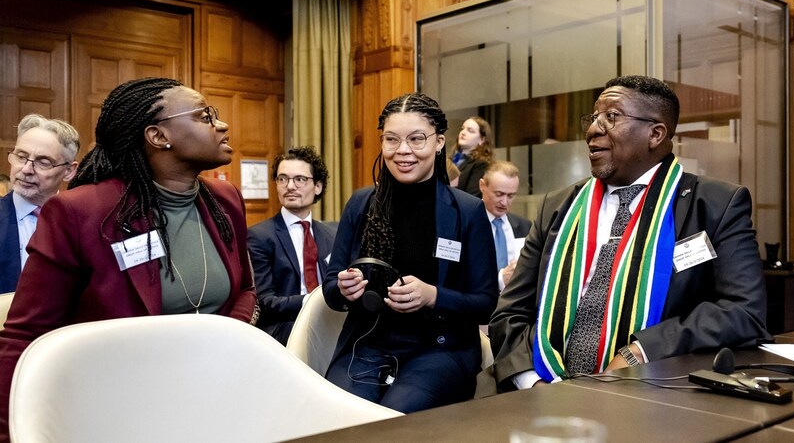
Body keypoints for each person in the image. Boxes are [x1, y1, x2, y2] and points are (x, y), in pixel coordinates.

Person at [0, 77, 259, 438]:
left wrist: (230, 338)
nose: (222, 125)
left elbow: (245, 288)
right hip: (114, 408)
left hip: (213, 396)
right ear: (158, 136)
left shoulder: (225, 200)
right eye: (204, 116)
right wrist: (8, 431)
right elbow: (24, 334)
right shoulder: (82, 212)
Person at [481, 75, 769, 395]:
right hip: (540, 392)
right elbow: (509, 313)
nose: (593, 129)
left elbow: (743, 311)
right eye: (593, 117)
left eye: (612, 117)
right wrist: (532, 384)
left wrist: (642, 351)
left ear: (655, 133)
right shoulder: (558, 207)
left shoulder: (714, 206)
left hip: (650, 396)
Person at [323, 92, 498, 413]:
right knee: (338, 416)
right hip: (368, 345)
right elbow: (332, 290)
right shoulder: (361, 205)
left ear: (439, 142)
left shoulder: (467, 211)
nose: (403, 151)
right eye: (391, 140)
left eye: (416, 139)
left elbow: (486, 305)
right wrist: (344, 288)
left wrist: (433, 295)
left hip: (441, 349)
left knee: (396, 418)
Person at [247, 146, 335, 345]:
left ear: (318, 186)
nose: (290, 186)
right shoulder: (260, 236)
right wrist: (312, 302)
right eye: (282, 179)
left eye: (300, 179)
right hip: (286, 327)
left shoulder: (332, 234)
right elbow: (265, 302)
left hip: (330, 321)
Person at [0, 114, 80, 294]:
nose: (26, 170)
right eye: (21, 157)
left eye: (43, 162)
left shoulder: (84, 223)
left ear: (68, 171)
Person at [479, 160, 531, 293]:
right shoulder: (468, 225)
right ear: (482, 186)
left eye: (511, 196)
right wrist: (500, 279)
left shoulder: (524, 227)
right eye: (499, 194)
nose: (504, 202)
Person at [451, 116, 494, 198]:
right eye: (462, 128)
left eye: (470, 131)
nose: (463, 132)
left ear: (482, 140)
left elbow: (471, 197)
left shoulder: (482, 165)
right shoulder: (450, 159)